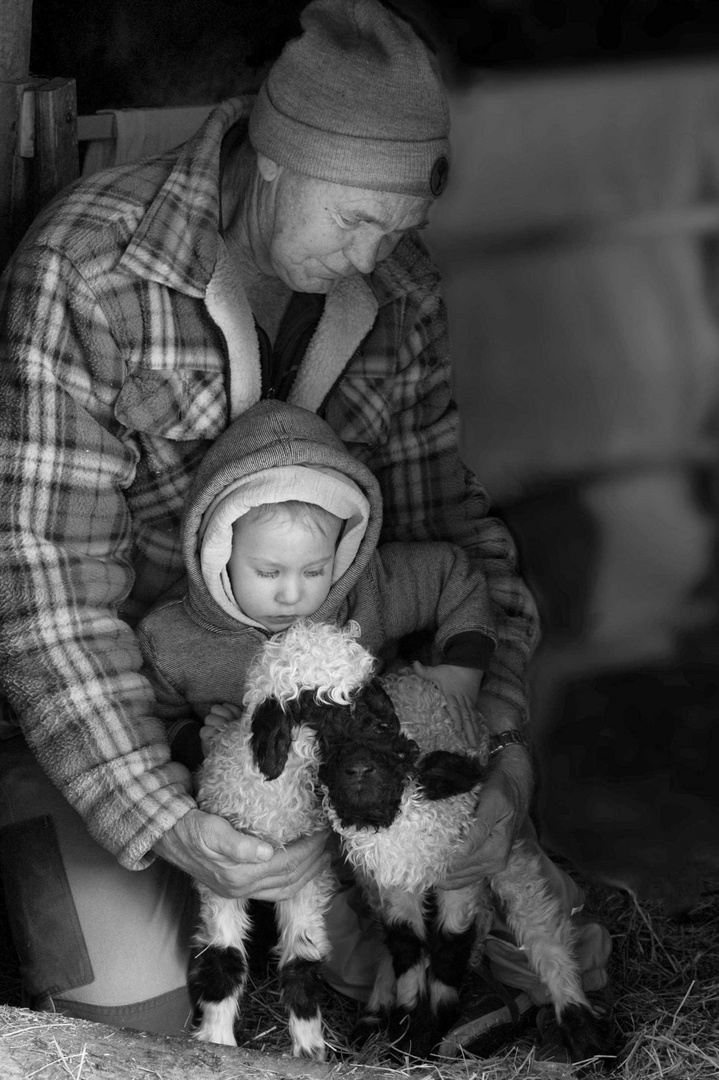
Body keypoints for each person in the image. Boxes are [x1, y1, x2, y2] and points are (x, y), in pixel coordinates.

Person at [0, 0, 611, 1056]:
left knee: (526, 946)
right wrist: (172, 821)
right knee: (136, 1029)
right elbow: (41, 588)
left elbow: (446, 533)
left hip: (329, 724)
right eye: (356, 218)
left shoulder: (396, 292)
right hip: (116, 721)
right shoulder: (88, 269)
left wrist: (489, 745)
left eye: (398, 226)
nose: (377, 249)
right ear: (274, 164)